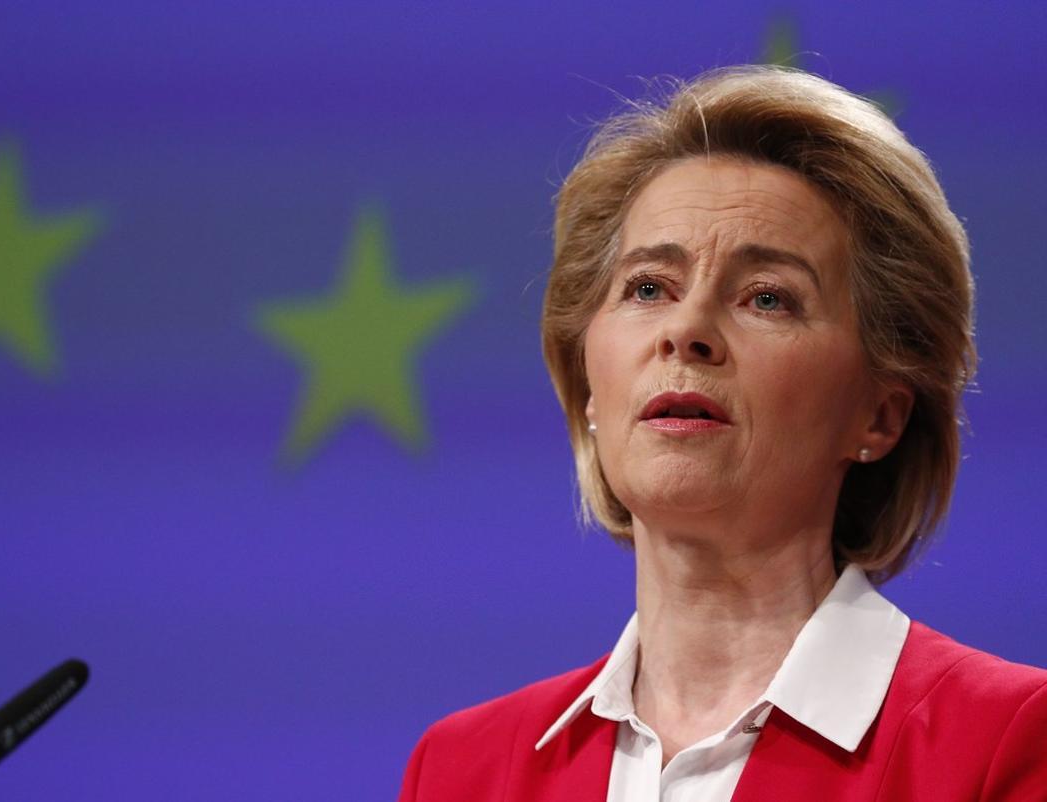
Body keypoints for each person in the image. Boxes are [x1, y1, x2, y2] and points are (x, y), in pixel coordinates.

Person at [398, 66, 1047, 801]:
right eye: (648, 288)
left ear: (879, 415)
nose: (686, 331)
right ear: (587, 386)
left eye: (767, 298)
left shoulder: (1007, 742)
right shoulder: (462, 771)